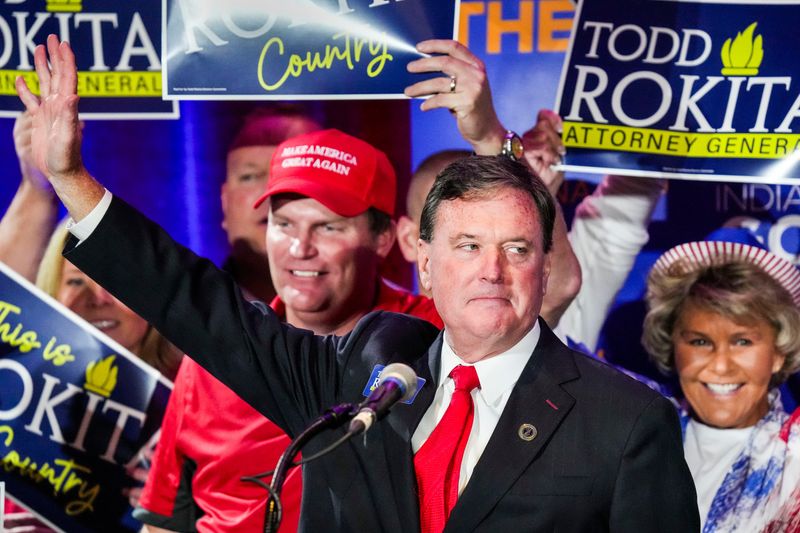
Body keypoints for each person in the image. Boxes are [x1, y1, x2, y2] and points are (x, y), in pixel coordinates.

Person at [17, 35, 699, 531]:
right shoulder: (366, 371)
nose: (491, 269)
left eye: (515, 248)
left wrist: (490, 134)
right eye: (466, 246)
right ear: (424, 258)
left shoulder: (626, 421)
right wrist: (70, 179)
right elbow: (190, 300)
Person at [641, 237, 800, 532]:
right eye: (700, 342)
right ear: (673, 346)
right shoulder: (633, 430)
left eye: (742, 341)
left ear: (778, 352)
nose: (721, 365)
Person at [221, 107, 321, 302]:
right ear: (225, 202)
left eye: (295, 175)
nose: (270, 192)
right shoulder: (191, 313)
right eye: (249, 177)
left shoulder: (388, 318)